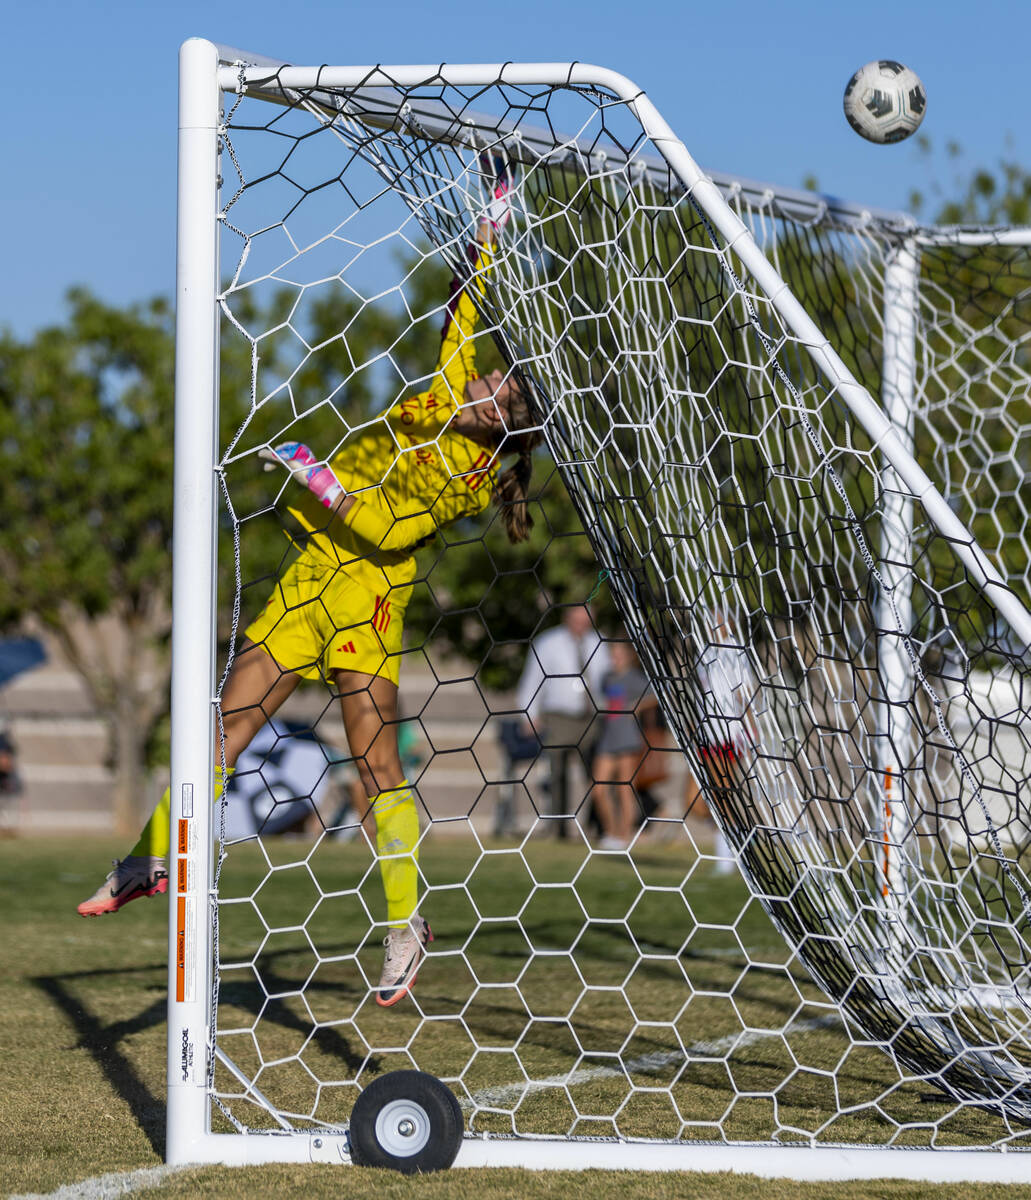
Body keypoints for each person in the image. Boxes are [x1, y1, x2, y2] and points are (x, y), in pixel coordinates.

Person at [78, 184, 542, 1007]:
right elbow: (461, 299)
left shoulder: (470, 481)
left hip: (365, 603)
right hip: (306, 586)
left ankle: (406, 926)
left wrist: (315, 474)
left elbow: (387, 533)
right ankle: (150, 859)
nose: (487, 377)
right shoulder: (446, 385)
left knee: (373, 769)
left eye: (498, 389)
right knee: (221, 732)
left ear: (502, 427)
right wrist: (491, 227)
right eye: (493, 373)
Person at [514, 604, 609, 838]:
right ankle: (558, 827)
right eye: (578, 619)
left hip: (593, 716)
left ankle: (597, 826)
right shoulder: (548, 643)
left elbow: (609, 679)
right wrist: (529, 714)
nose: (582, 624)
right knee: (557, 773)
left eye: (587, 619)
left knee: (597, 774)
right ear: (567, 617)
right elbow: (532, 680)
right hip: (559, 717)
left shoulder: (600, 642)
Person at [682, 609, 757, 875]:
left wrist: (750, 729)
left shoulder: (734, 649)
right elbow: (703, 696)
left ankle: (727, 857)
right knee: (694, 801)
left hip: (729, 733)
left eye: (718, 619)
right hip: (706, 733)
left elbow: (744, 691)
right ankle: (741, 837)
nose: (713, 625)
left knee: (720, 795)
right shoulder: (702, 652)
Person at [591, 640, 654, 849]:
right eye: (613, 654)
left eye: (619, 654)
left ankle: (625, 837)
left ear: (629, 656)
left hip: (628, 737)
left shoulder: (635, 678)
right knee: (598, 789)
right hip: (608, 737)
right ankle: (611, 832)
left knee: (625, 789)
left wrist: (637, 706)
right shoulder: (606, 677)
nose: (615, 657)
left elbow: (656, 694)